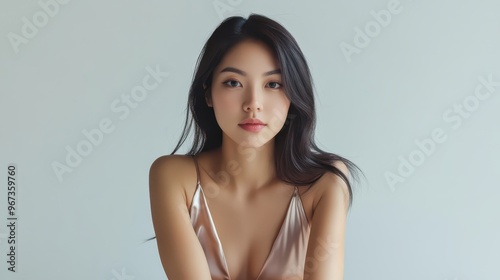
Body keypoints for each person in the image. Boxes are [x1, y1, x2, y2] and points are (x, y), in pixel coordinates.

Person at [147, 13, 364, 280]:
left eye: (273, 84)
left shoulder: (324, 183)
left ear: (293, 95)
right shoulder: (173, 177)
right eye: (233, 83)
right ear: (208, 94)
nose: (253, 103)